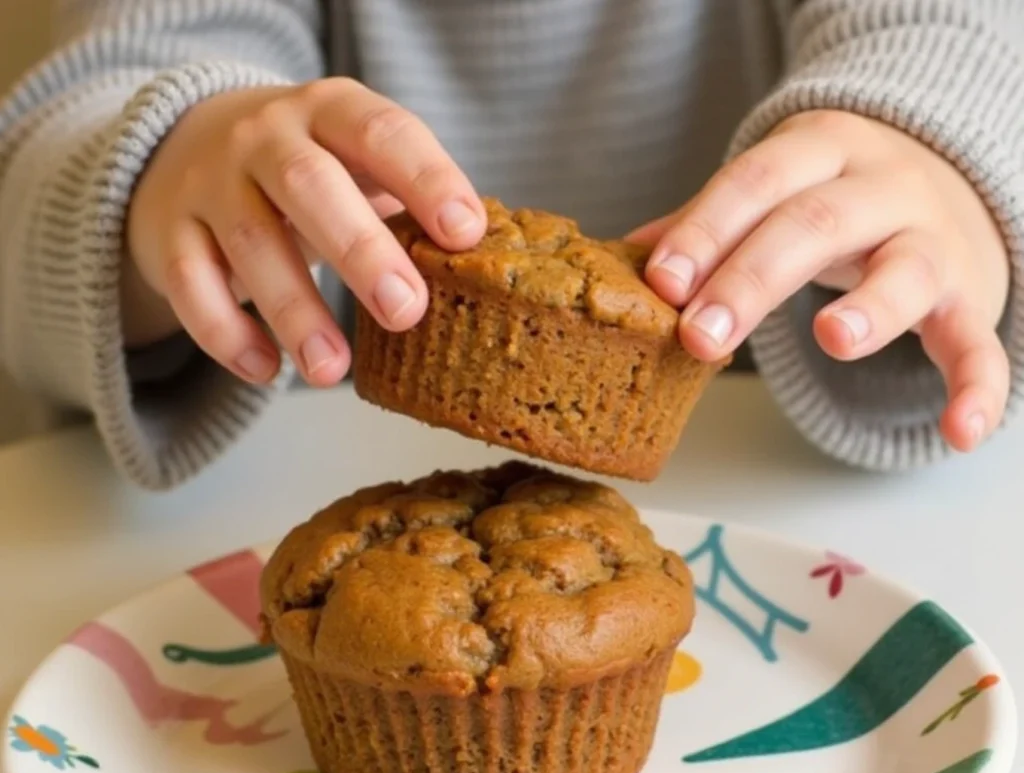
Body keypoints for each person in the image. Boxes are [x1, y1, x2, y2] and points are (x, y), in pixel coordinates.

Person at [0, 1, 1020, 490]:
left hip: (827, 526)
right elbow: (32, 208)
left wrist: (935, 153)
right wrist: (152, 186)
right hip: (244, 510)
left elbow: (959, 39)